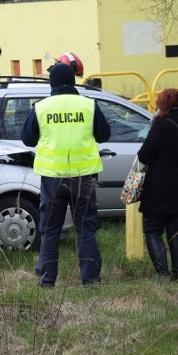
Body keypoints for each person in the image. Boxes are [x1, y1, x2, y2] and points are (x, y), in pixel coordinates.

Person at [21, 62, 110, 287]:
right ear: (72, 82)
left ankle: (47, 280)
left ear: (51, 84)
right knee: (85, 229)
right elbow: (104, 134)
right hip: (85, 176)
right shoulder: (89, 105)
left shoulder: (42, 107)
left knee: (50, 230)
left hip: (53, 178)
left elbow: (27, 139)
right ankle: (90, 280)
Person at [136, 88, 178, 281]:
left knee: (153, 229)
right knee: (175, 228)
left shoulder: (161, 124)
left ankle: (163, 273)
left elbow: (144, 155)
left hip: (160, 185)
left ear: (163, 103)